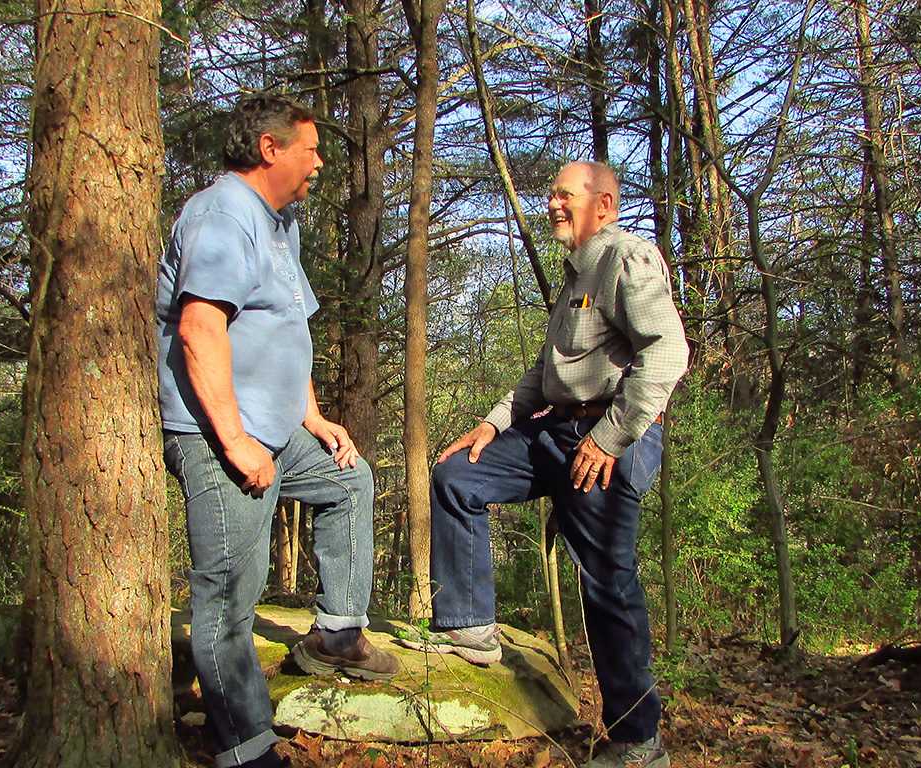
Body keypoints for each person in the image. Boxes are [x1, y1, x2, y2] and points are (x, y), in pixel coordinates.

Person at [403, 162, 688, 768]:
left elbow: (667, 352)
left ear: (604, 204)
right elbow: (548, 374)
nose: (553, 204)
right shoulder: (576, 276)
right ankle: (469, 628)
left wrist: (610, 439)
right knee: (458, 476)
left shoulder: (626, 259)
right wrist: (492, 423)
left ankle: (639, 742)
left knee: (607, 580)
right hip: (554, 431)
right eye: (552, 194)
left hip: (609, 437)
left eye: (566, 195)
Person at [157, 93, 397, 768]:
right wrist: (235, 443)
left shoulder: (279, 222)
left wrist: (313, 418)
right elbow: (200, 329)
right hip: (215, 431)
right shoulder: (221, 215)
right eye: (311, 148)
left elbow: (288, 331)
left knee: (350, 479)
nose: (320, 162)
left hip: (272, 426)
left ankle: (337, 636)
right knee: (232, 593)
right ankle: (246, 750)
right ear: (270, 149)